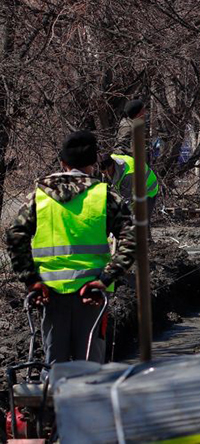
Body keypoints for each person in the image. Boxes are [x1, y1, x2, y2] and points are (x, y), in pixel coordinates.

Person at [5, 131, 136, 364]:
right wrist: (106, 279)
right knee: (90, 366)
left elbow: (16, 237)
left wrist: (31, 280)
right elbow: (131, 240)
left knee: (54, 363)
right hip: (92, 293)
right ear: (94, 164)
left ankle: (55, 398)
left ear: (62, 163)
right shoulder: (105, 196)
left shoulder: (39, 196)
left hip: (49, 292)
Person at [98, 153, 159, 234]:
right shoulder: (109, 159)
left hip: (148, 189)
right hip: (134, 189)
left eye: (105, 173)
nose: (104, 175)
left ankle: (147, 243)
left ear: (110, 167)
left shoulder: (127, 176)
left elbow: (127, 204)